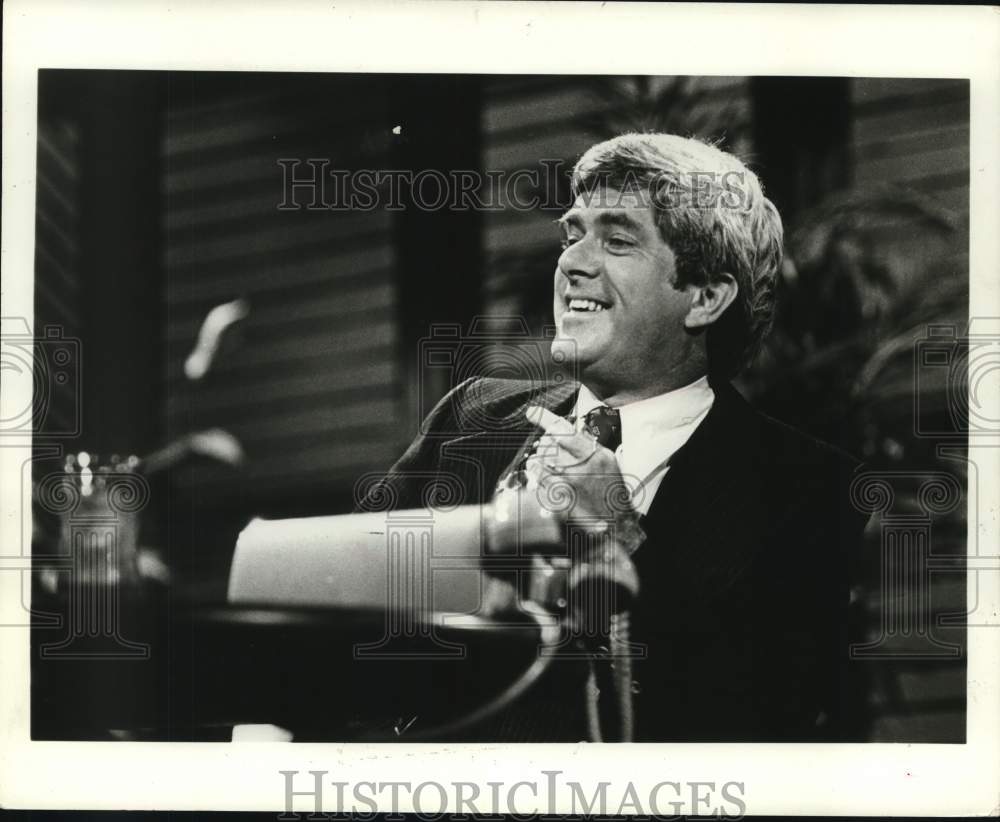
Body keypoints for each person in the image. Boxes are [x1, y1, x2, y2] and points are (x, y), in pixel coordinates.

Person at [358, 132, 869, 742]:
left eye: (618, 240)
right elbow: (334, 605)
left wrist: (620, 535)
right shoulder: (470, 418)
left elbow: (755, 718)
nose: (573, 261)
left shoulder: (808, 485)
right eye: (572, 233)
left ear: (705, 297)